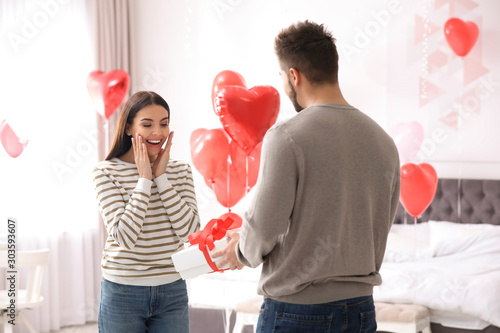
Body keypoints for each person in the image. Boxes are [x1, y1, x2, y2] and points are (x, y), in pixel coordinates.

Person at [212, 21, 400, 333]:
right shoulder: (384, 143)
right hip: (361, 311)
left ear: (294, 76)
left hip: (297, 313)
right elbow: (378, 226)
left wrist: (240, 250)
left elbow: (263, 227)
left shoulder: (287, 137)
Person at [93, 91, 200, 333]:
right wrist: (144, 179)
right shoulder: (105, 173)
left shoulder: (180, 170)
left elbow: (190, 234)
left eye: (164, 123)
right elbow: (125, 237)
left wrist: (161, 178)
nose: (157, 133)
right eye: (147, 124)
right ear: (129, 128)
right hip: (123, 291)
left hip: (172, 289)